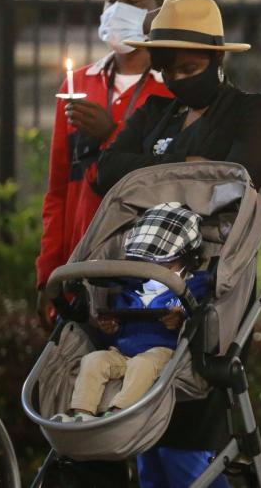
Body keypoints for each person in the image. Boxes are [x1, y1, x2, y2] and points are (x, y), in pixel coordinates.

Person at [36, 0, 173, 325]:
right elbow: (57, 191)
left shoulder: (172, 89)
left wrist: (111, 133)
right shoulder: (79, 84)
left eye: (133, 1)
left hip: (142, 265)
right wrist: (48, 273)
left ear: (157, 14)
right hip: (78, 261)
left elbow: (165, 175)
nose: (118, 9)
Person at [56, 202, 226, 488]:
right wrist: (110, 327)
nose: (154, 269)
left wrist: (183, 318)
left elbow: (205, 316)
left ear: (188, 259)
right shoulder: (130, 286)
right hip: (123, 352)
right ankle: (81, 414)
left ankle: (120, 413)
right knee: (94, 361)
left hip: (164, 353)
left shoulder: (195, 285)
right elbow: (117, 329)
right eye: (149, 262)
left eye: (164, 263)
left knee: (143, 365)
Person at [96, 0, 261, 195]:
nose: (177, 79)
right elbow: (107, 170)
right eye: (167, 71)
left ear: (218, 57)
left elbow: (237, 184)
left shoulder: (252, 111)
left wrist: (146, 174)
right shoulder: (154, 110)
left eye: (189, 69)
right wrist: (186, 163)